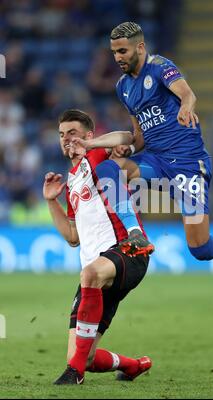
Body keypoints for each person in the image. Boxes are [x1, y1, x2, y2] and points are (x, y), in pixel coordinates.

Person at [74, 21, 213, 280]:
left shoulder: (161, 67)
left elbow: (187, 94)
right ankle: (134, 233)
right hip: (157, 162)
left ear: (140, 47)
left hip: (187, 164)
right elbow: (138, 136)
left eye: (123, 51)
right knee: (108, 167)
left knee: (199, 248)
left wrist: (186, 106)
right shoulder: (123, 87)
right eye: (114, 52)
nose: (117, 58)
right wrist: (107, 145)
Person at [43, 109, 152, 385]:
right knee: (83, 356)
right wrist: (51, 201)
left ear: (89, 136)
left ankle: (73, 376)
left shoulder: (98, 156)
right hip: (96, 273)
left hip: (126, 252)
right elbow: (72, 236)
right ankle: (134, 366)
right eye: (61, 135)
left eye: (72, 133)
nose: (66, 139)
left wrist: (92, 145)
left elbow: (126, 136)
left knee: (89, 274)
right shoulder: (72, 181)